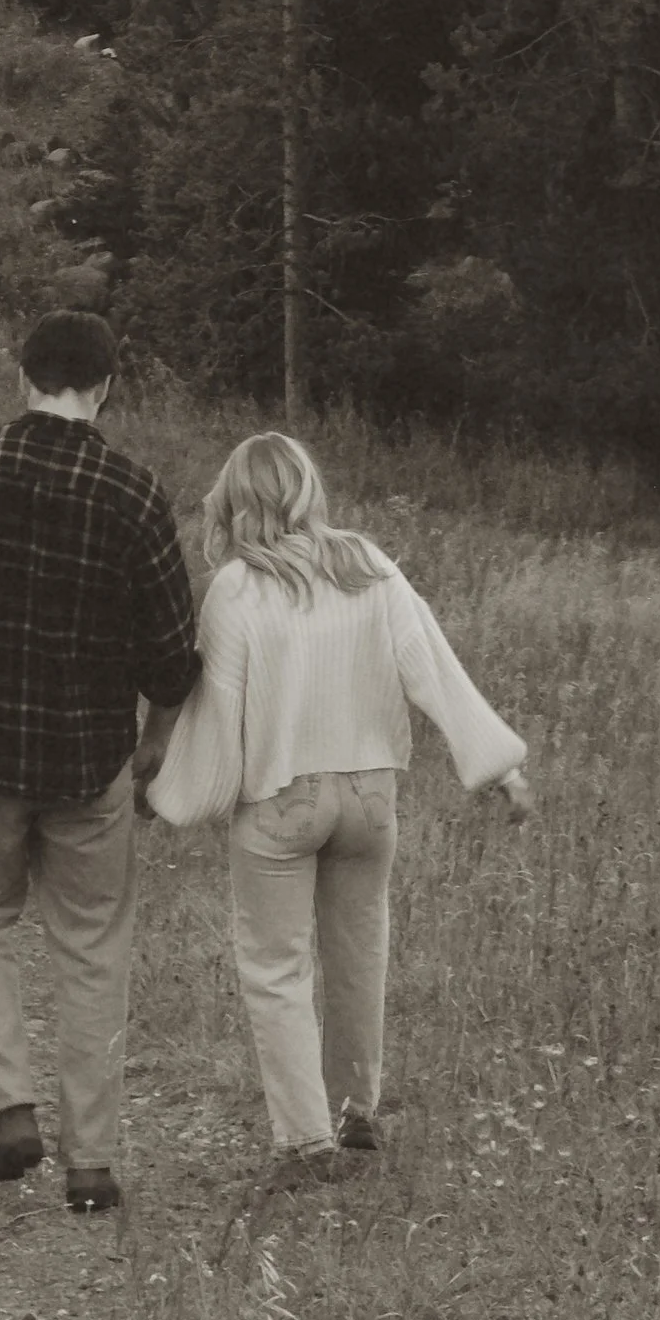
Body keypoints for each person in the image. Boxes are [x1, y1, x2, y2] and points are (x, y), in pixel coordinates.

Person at [0, 309, 201, 1215]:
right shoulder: (133, 494)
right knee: (92, 950)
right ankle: (91, 1164)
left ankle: (10, 1105)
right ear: (105, 387)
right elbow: (173, 658)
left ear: (22, 376)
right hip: (90, 762)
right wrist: (154, 742)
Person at [147, 430, 532, 1181]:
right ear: (306, 488)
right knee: (360, 954)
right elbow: (433, 669)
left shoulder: (236, 585)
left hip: (281, 801)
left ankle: (304, 1141)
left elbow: (221, 713)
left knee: (276, 966)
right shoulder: (367, 562)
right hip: (370, 796)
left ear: (237, 498)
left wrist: (171, 792)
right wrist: (499, 768)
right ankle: (357, 1110)